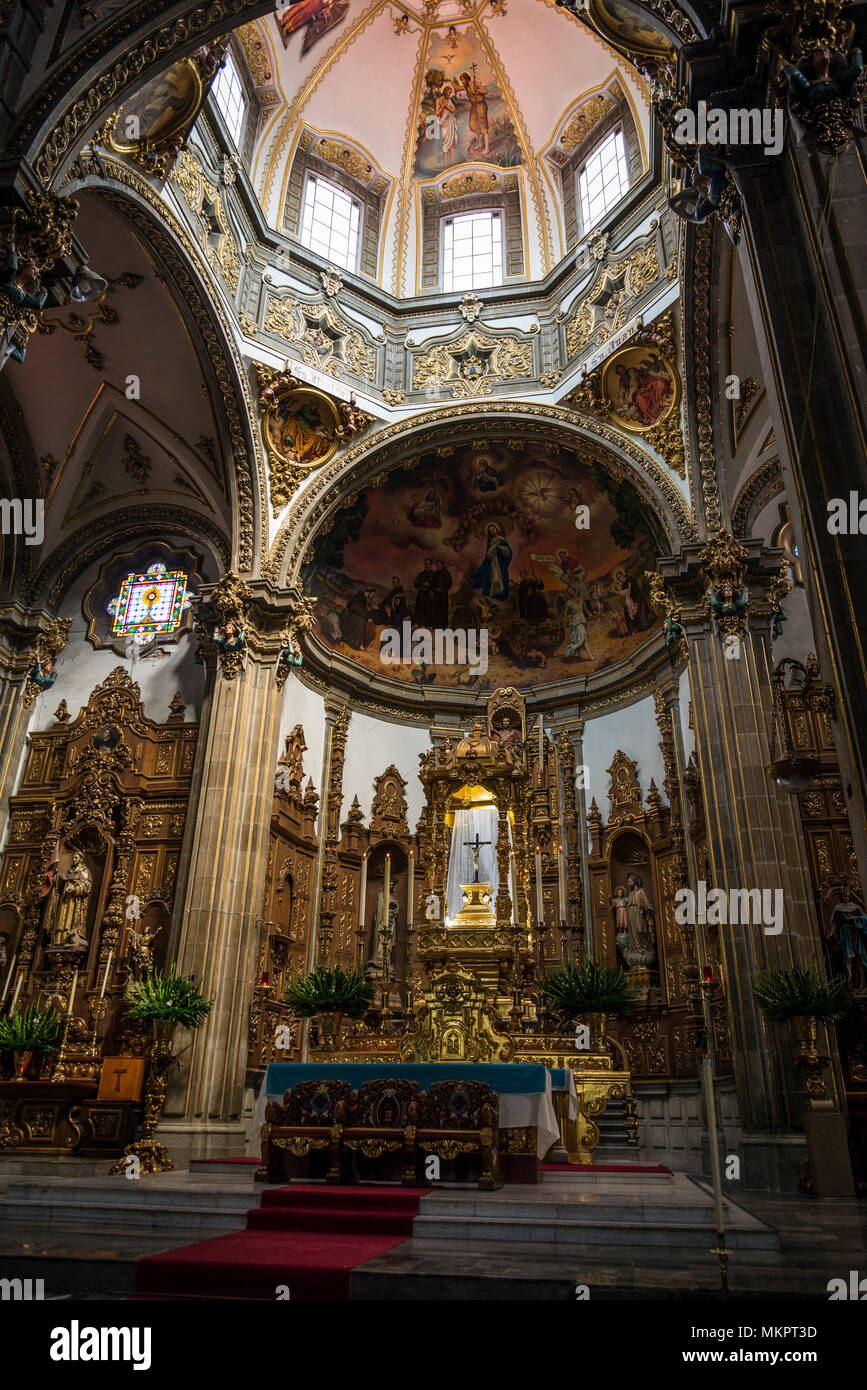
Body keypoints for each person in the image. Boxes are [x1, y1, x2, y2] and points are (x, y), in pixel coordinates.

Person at [470, 523, 512, 601]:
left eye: (493, 529)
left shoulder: (501, 539)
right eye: (490, 531)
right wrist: (494, 547)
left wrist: (499, 546)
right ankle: (493, 596)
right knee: (494, 579)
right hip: (493, 562)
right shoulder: (491, 542)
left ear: (497, 529)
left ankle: (499, 596)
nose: (492, 531)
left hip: (500, 564)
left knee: (499, 580)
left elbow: (508, 552)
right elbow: (489, 554)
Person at [430, 559, 452, 628]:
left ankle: (443, 625)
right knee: (435, 610)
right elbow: (432, 584)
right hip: (436, 595)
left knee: (443, 610)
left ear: (442, 565)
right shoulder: (436, 573)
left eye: (439, 565)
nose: (438, 566)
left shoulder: (447, 573)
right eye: (437, 565)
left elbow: (449, 584)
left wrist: (442, 589)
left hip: (443, 596)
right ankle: (435, 625)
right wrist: (435, 589)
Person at [414, 559, 435, 625]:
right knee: (419, 609)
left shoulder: (433, 575)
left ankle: (427, 624)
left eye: (428, 564)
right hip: (420, 593)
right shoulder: (421, 574)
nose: (426, 565)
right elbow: (415, 584)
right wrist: (423, 584)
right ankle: (419, 624)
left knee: (427, 609)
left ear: (430, 565)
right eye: (425, 564)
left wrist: (426, 585)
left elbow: (432, 585)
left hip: (427, 594)